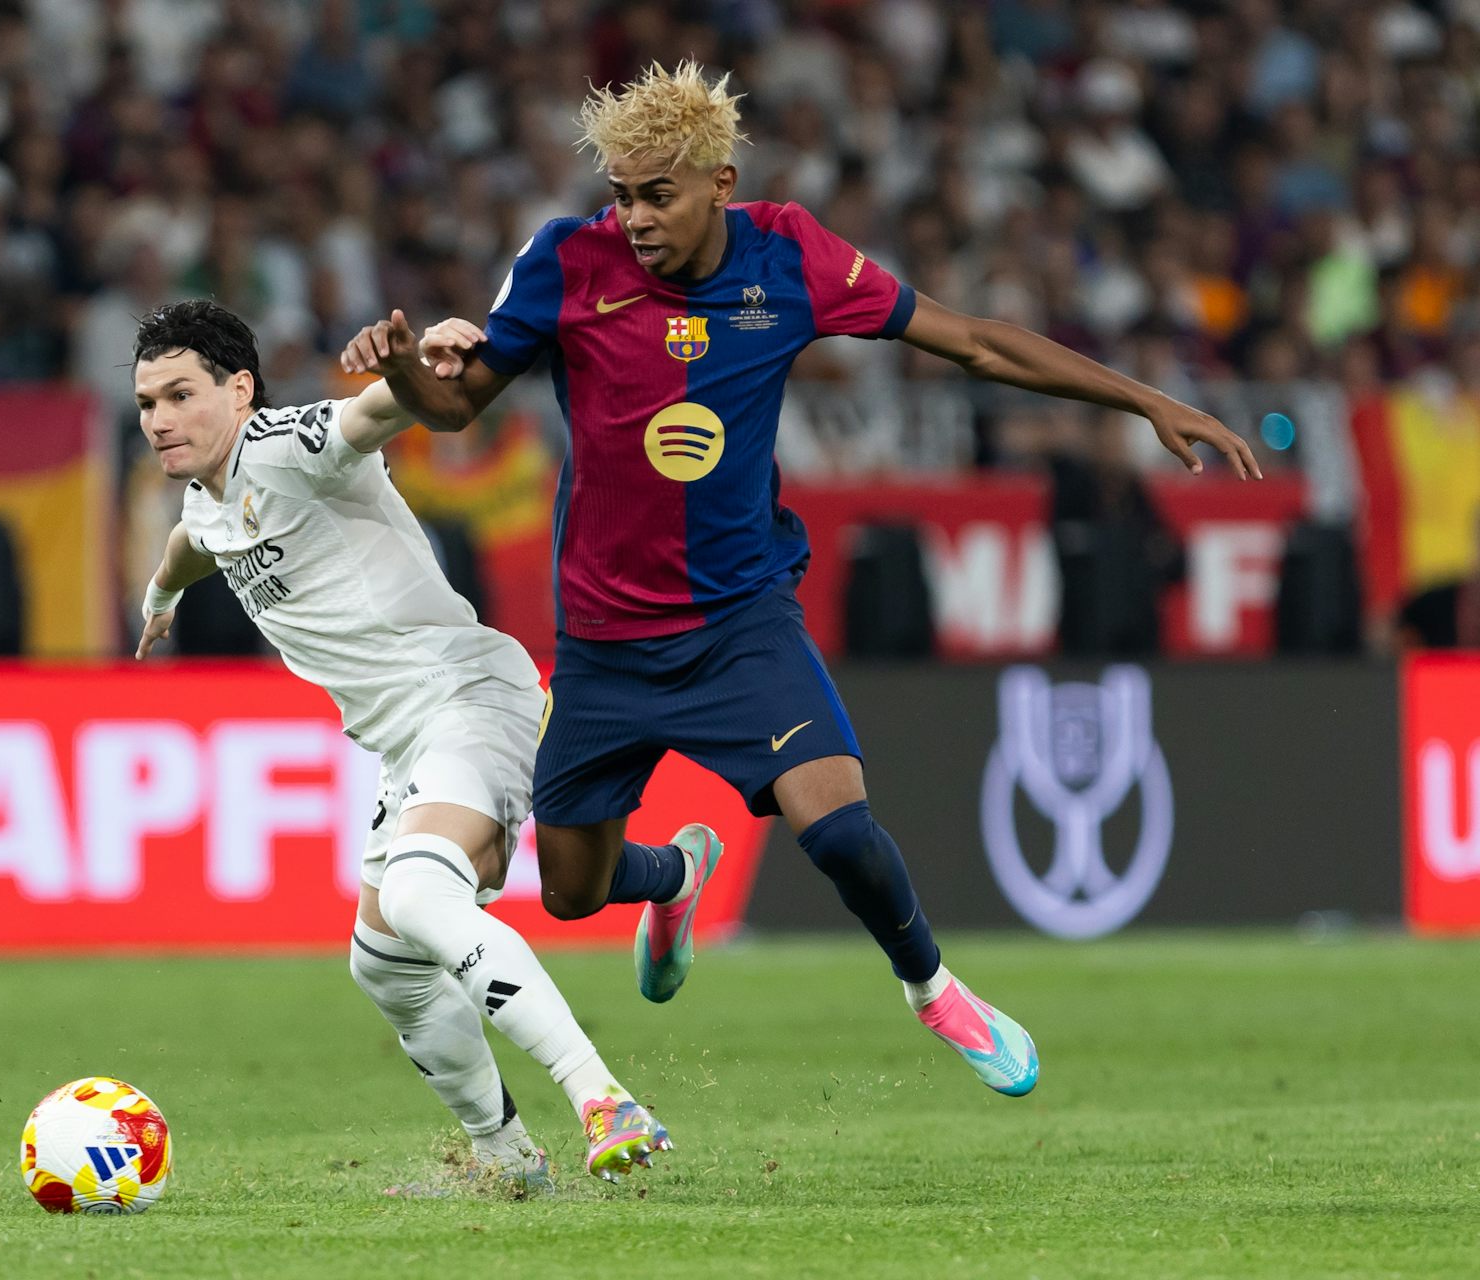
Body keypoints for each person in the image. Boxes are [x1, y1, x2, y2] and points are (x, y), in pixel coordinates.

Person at [341, 61, 1263, 1099]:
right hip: (605, 642)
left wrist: (1144, 400)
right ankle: (680, 874)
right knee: (568, 891)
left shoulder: (791, 256)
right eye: (622, 196)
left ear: (720, 183)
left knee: (838, 827)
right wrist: (405, 368)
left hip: (741, 620)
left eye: (659, 195)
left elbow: (971, 342)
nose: (635, 218)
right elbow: (457, 407)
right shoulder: (566, 262)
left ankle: (935, 989)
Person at [131, 298, 673, 1187]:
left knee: (422, 894)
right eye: (147, 403)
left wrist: (424, 361)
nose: (158, 420)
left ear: (238, 391)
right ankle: (508, 1156)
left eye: (178, 395)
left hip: (468, 694)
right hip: (407, 742)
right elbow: (195, 541)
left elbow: (374, 412)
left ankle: (601, 1098)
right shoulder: (209, 496)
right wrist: (160, 600)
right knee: (383, 965)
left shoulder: (286, 443)